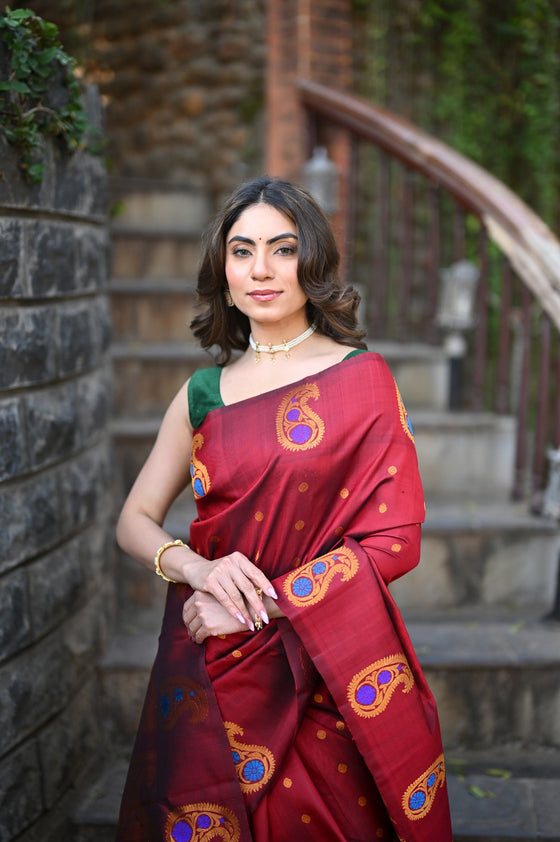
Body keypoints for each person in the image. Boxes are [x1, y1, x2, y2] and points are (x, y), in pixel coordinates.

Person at [115, 175, 453, 841]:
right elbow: (134, 519)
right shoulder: (204, 392)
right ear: (224, 268)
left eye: (283, 248)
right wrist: (197, 572)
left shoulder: (362, 379)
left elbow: (395, 540)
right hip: (214, 657)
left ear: (313, 262)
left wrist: (260, 604)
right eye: (242, 251)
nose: (261, 270)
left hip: (326, 666)